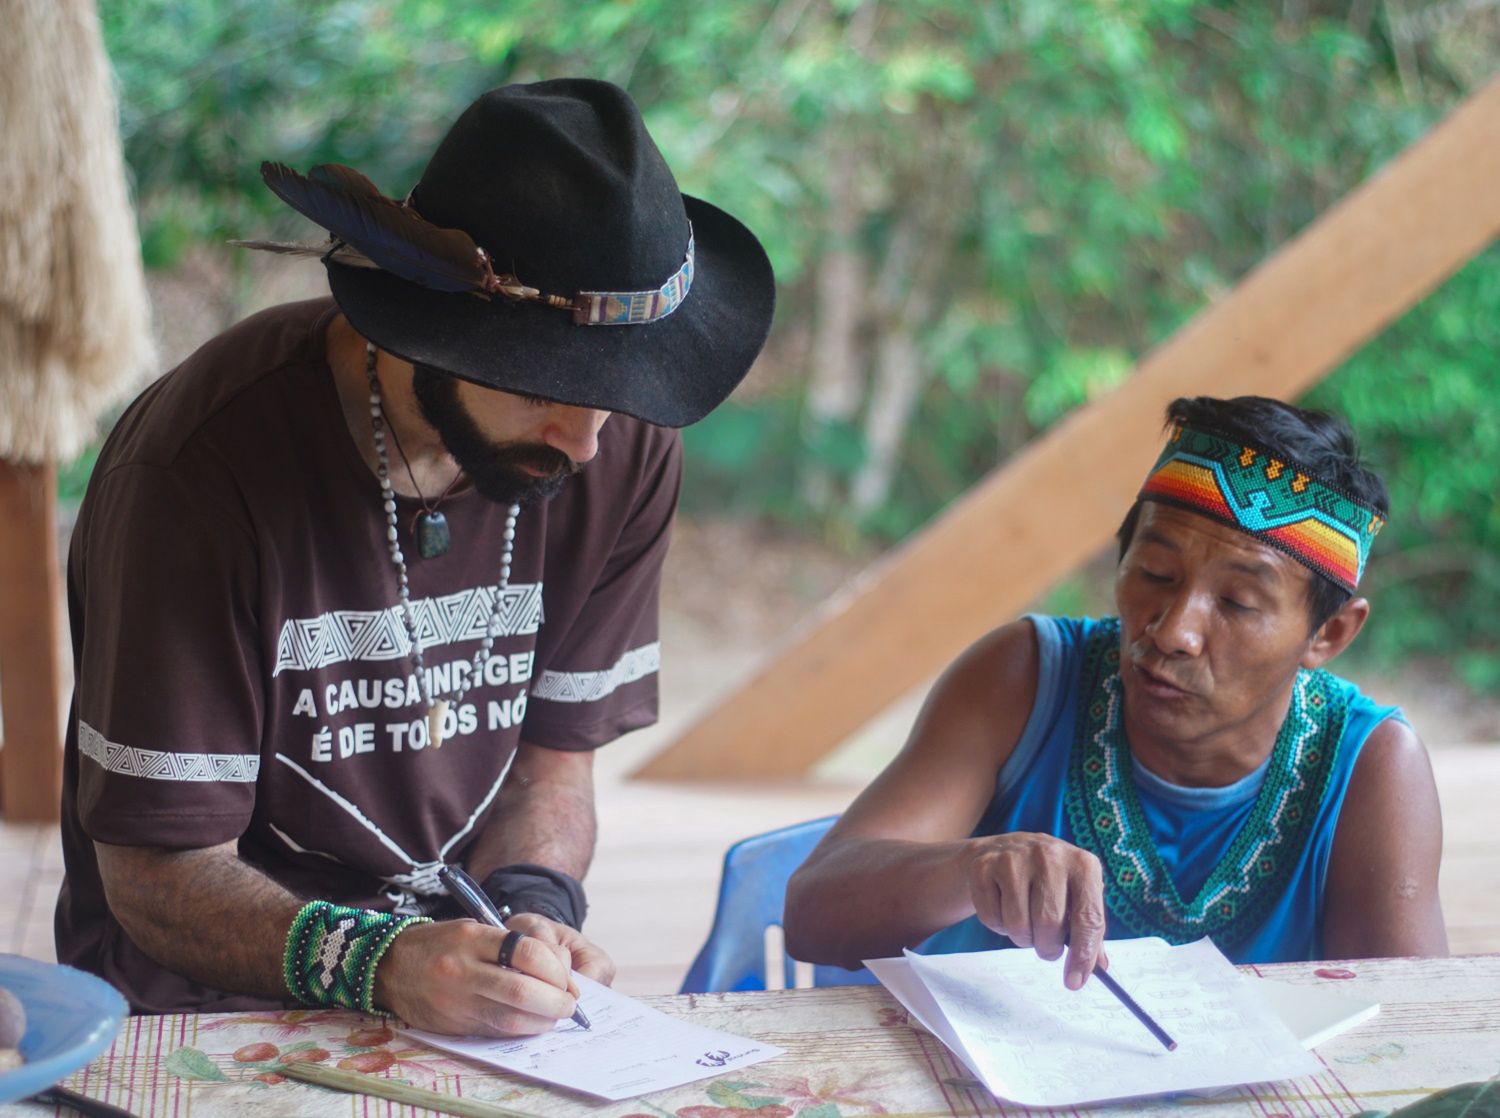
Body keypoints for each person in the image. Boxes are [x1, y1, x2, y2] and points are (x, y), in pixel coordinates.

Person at [55, 78, 775, 1036]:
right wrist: (380, 965)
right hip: (203, 1002)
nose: (587, 438)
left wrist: (536, 913)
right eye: (546, 386)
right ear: (423, 334)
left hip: (454, 982)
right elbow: (152, 875)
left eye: (615, 391)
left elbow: (553, 769)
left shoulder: (617, 446)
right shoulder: (201, 472)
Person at [785, 395, 1447, 988]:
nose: (1174, 632)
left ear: (1328, 633)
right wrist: (970, 869)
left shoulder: (1368, 766)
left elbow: (1411, 1028)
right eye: (1156, 573)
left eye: (1240, 603)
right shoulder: (1025, 680)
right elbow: (813, 916)